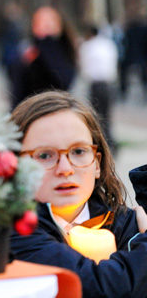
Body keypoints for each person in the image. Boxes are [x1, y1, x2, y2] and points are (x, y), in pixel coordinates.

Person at [10, 90, 147, 298]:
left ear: (97, 163)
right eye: (45, 155)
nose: (65, 168)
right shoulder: (13, 230)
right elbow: (96, 288)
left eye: (78, 151)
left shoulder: (129, 223)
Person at [11, 6, 77, 108]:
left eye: (50, 21)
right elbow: (18, 89)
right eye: (40, 21)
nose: (45, 25)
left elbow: (65, 81)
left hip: (57, 108)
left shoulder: (65, 51)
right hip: (31, 110)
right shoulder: (28, 53)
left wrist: (47, 43)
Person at [78, 25, 118, 151]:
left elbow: (84, 67)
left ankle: (104, 143)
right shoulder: (108, 44)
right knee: (107, 115)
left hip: (96, 84)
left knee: (98, 116)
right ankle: (110, 142)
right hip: (109, 84)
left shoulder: (87, 47)